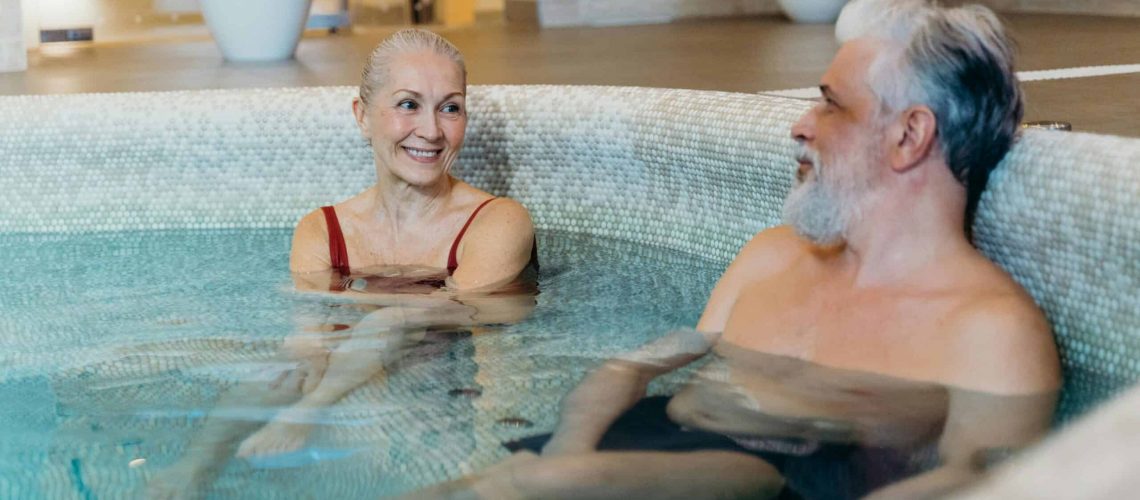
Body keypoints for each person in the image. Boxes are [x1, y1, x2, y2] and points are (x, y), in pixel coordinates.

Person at [407, 1, 1060, 498]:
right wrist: (566, 457)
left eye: (831, 105)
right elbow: (636, 366)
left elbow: (983, 481)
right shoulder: (772, 256)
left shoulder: (990, 331)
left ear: (910, 135)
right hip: (630, 449)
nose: (800, 124)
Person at [148, 28, 537, 499]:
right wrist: (305, 364)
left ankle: (306, 417)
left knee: (400, 316)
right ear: (362, 116)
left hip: (450, 395)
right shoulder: (321, 231)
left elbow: (482, 344)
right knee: (284, 366)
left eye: (450, 108)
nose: (432, 131)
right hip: (359, 386)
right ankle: (195, 468)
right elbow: (309, 343)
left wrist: (491, 447)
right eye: (408, 104)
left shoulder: (498, 222)